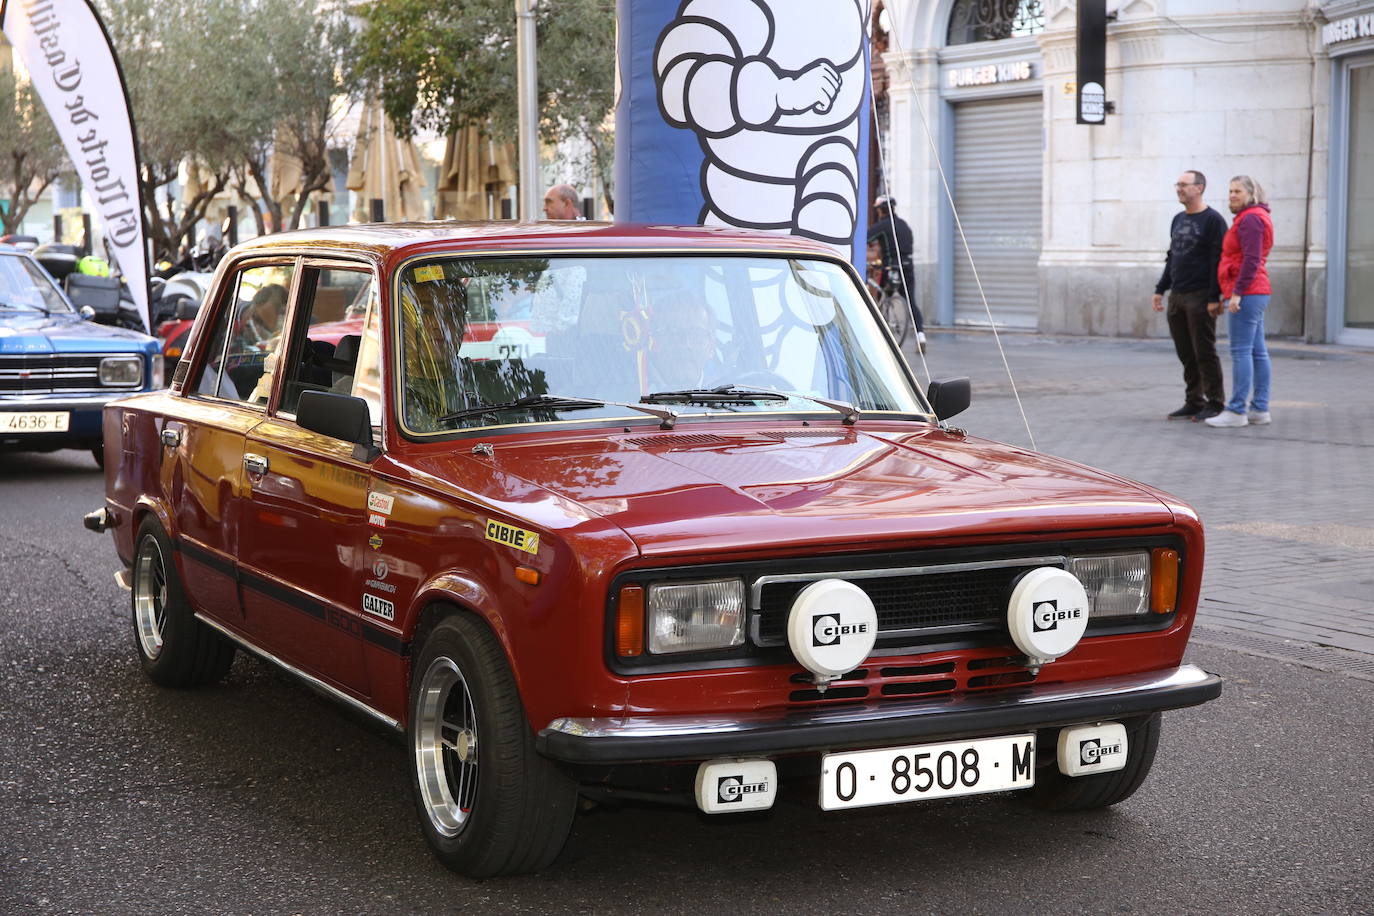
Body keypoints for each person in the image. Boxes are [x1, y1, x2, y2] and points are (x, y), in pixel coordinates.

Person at [1152, 170, 1228, 422]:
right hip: (1178, 295)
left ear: (1200, 188)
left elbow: (1218, 259)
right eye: (1178, 185)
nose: (1179, 189)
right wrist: (1160, 289)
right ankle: (1194, 400)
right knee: (1185, 352)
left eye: (1184, 185)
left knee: (1204, 351)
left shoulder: (1213, 221)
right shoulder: (1178, 219)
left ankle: (1215, 402)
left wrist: (1214, 296)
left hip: (1200, 295)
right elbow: (1172, 256)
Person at [1206, 175, 1274, 429]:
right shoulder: (1253, 217)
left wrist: (1237, 293)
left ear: (1251, 194)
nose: (1232, 195)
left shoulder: (1250, 220)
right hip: (1253, 291)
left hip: (1247, 292)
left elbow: (1251, 259)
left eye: (1238, 191)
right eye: (1230, 190)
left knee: (1241, 351)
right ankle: (1259, 409)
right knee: (1257, 351)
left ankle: (1236, 410)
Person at [867, 196, 926, 351]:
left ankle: (877, 334)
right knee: (910, 301)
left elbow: (865, 239)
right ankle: (921, 335)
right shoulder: (905, 225)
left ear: (880, 210)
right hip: (908, 266)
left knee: (880, 296)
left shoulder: (883, 226)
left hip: (891, 268)